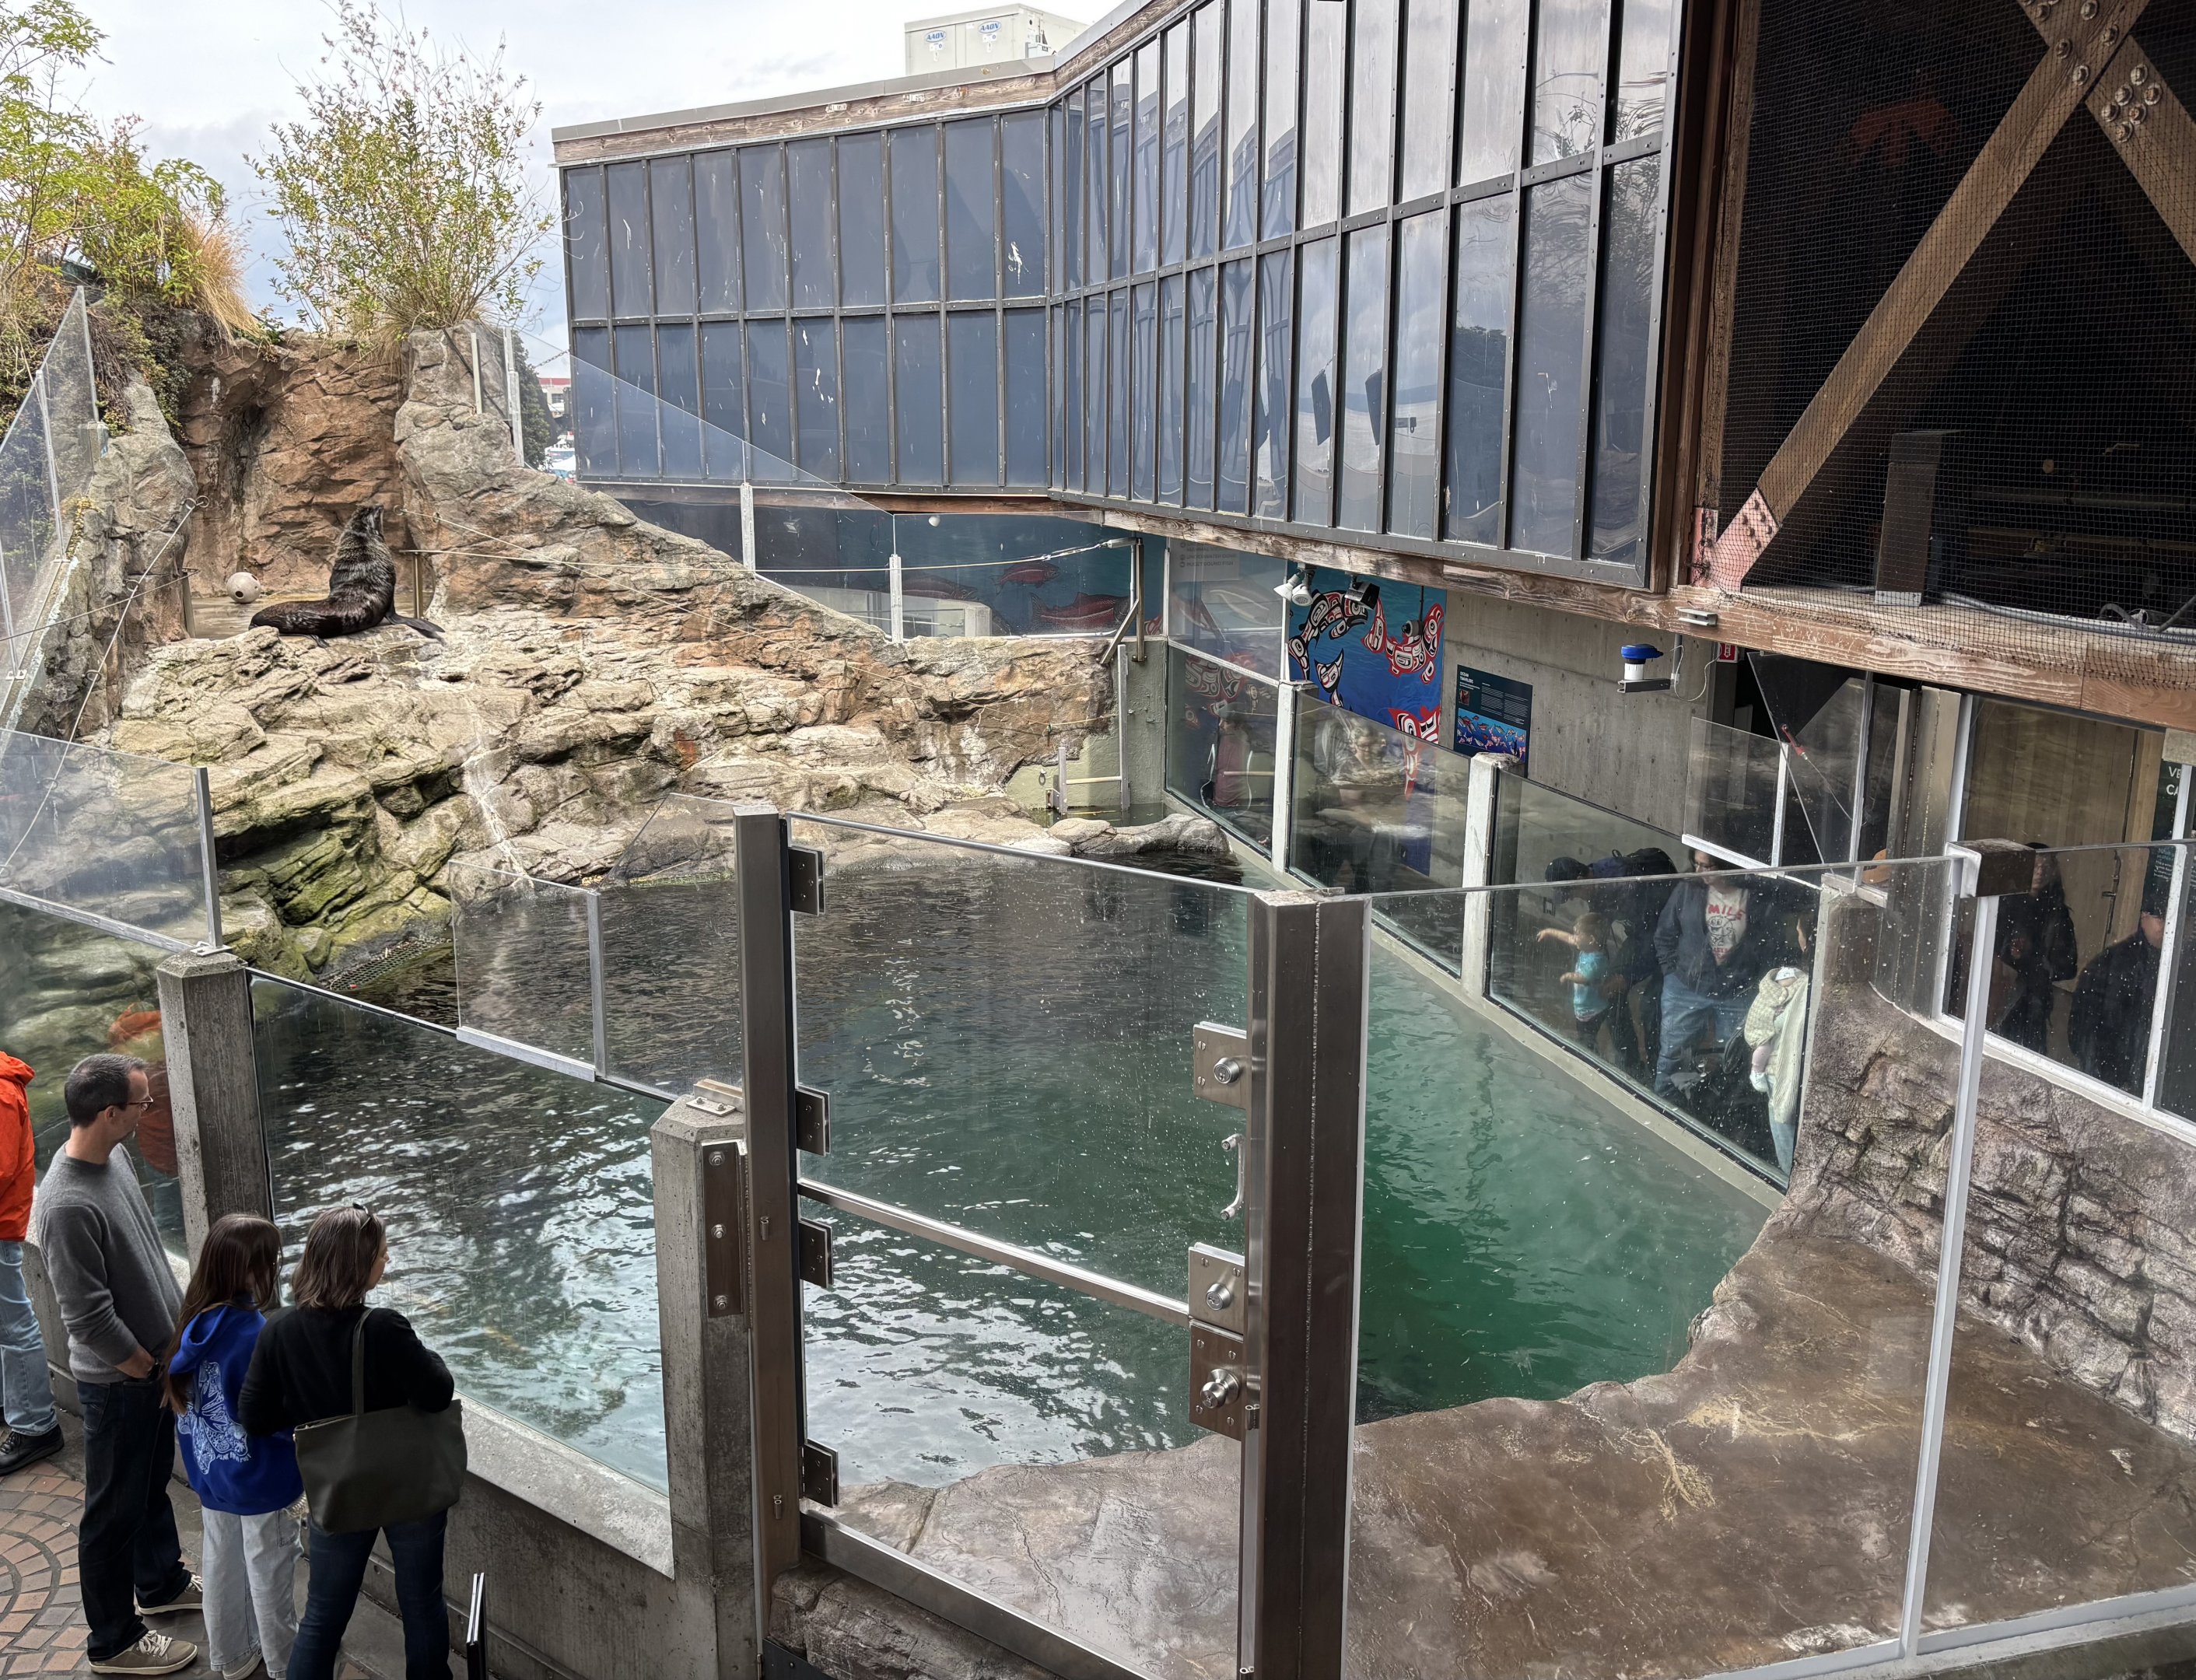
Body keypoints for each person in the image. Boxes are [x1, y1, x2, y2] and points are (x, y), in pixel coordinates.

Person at [30, 1053, 200, 1676]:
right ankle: (113, 1641)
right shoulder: (66, 1204)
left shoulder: (116, 1159)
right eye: (141, 1103)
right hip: (122, 1383)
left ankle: (160, 1583)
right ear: (109, 1113)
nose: (149, 1110)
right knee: (111, 1512)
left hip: (152, 1371)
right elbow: (87, 1318)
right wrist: (144, 1367)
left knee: (147, 1487)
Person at [241, 1206, 456, 1680]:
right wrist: (430, 1355)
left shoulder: (279, 1328)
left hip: (335, 1485)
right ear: (358, 1266)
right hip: (408, 1486)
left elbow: (254, 1416)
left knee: (322, 1614)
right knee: (421, 1603)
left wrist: (310, 1416)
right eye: (381, 1255)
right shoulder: (384, 1327)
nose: (387, 1261)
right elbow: (438, 1393)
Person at [164, 1214, 302, 1680]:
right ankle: (285, 1664)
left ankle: (232, 1656)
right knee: (269, 1570)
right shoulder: (254, 1334)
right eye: (270, 1261)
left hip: (213, 1476)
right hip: (262, 1480)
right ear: (251, 1270)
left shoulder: (193, 1324)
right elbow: (271, 1416)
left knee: (221, 1564)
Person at [1652, 851, 1792, 1097]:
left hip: (1737, 991)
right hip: (1685, 986)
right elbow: (1665, 933)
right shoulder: (1688, 889)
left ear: (1727, 866)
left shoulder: (1756, 897)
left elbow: (1771, 943)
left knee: (1731, 1059)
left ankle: (1715, 1107)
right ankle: (1663, 1103)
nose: (1699, 872)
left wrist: (1754, 982)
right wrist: (1671, 973)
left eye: (1707, 866)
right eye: (1696, 864)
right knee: (1671, 1053)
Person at [0, 1050, 64, 1477]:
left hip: (1, 1225)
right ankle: (15, 1405)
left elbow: (2, 1169)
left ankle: (36, 1425)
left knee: (14, 1324)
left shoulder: (2, 1094)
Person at [2068, 903, 2165, 1095]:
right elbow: (2090, 1030)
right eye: (2161, 918)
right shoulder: (2118, 963)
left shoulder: (2174, 965)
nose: (2167, 926)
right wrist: (2112, 1079)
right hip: (2110, 1076)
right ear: (2144, 917)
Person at [1989, 845, 2078, 1054]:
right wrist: (2011, 955)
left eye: (2045, 866)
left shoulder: (2057, 913)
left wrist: (2037, 960)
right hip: (2001, 993)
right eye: (2034, 865)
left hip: (2037, 999)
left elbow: (2068, 966)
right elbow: (1989, 949)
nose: (2040, 871)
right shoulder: (2003, 905)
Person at [1538, 912, 1617, 1056]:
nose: (1574, 937)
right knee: (1584, 1035)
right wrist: (1549, 931)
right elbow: (1568, 937)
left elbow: (1585, 978)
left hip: (1593, 1010)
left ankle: (1591, 1056)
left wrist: (1569, 976)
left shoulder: (1597, 961)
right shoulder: (1587, 948)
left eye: (1577, 934)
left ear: (1591, 940)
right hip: (1585, 1007)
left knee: (1587, 1038)